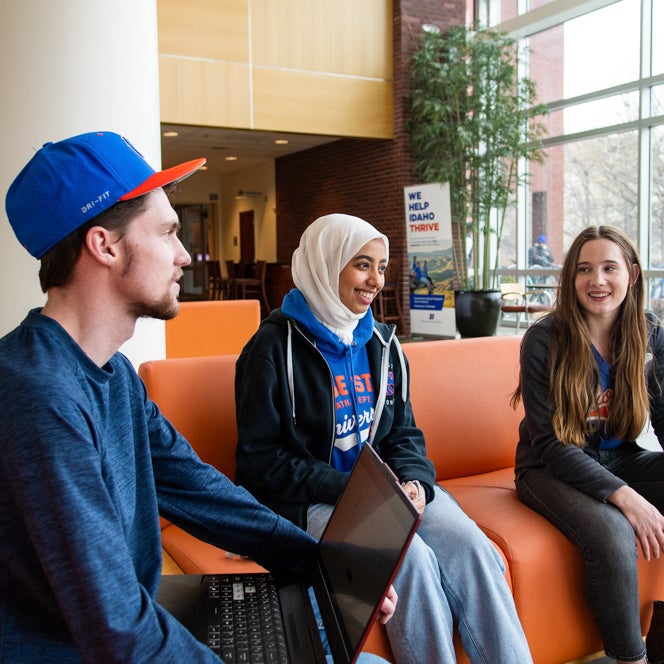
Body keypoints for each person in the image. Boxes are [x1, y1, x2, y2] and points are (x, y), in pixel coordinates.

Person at [0, 132, 394, 663]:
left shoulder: (112, 373)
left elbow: (199, 488)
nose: (185, 255)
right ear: (105, 245)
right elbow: (117, 632)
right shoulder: (38, 397)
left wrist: (318, 563)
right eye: (167, 233)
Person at [234, 213, 533, 663]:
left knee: (474, 550)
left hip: (391, 492)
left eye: (382, 266)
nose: (376, 279)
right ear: (325, 263)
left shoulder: (382, 343)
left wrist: (414, 482)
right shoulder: (271, 350)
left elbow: (403, 432)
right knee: (408, 561)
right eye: (362, 264)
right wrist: (353, 490)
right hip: (316, 501)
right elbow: (260, 463)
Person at [511, 225, 664, 664]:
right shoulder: (544, 339)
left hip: (620, 457)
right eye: (584, 270)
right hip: (547, 467)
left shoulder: (648, 333)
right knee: (615, 533)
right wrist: (625, 497)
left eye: (609, 268)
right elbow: (550, 443)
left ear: (632, 275)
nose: (597, 280)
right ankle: (629, 658)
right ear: (570, 279)